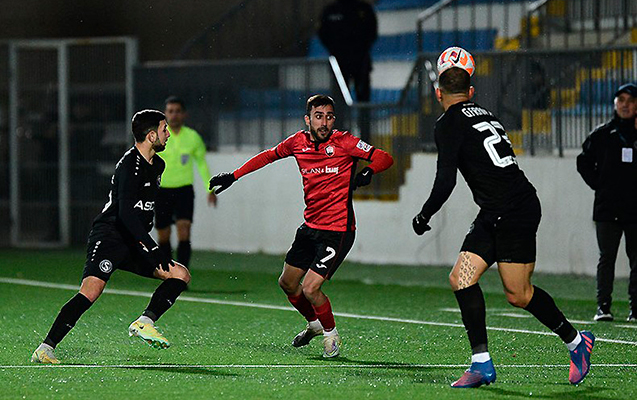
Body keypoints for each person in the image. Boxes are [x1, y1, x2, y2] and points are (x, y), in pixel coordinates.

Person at [411, 49, 594, 388]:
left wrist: (425, 214)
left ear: (438, 93)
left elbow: (446, 181)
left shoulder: (447, 123)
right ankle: (481, 363)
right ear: (471, 91)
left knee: (519, 294)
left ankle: (576, 342)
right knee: (461, 279)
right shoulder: (485, 113)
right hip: (500, 210)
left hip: (512, 212)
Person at [209, 94, 393, 358]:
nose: (324, 122)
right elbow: (267, 156)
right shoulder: (297, 142)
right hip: (310, 227)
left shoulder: (345, 142)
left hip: (338, 230)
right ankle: (314, 323)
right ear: (307, 119)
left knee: (310, 287)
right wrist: (234, 176)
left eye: (329, 117)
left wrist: (368, 171)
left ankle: (331, 335)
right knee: (287, 283)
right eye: (318, 116)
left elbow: (384, 157)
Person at [31, 110, 191, 364]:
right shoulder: (129, 165)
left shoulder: (158, 165)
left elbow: (145, 207)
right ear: (151, 136)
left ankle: (144, 322)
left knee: (180, 274)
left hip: (134, 240)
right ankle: (45, 348)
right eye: (164, 129)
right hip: (110, 236)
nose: (168, 134)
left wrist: (147, 239)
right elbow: (125, 213)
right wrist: (152, 247)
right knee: (91, 292)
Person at [576, 83, 637, 323]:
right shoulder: (602, 134)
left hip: (635, 209)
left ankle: (635, 307)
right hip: (607, 209)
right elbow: (583, 162)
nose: (625, 105)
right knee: (607, 258)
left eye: (630, 100)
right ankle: (603, 306)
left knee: (636, 260)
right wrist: (600, 186)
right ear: (614, 104)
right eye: (621, 100)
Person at [155, 96, 216, 268]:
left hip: (184, 190)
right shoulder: (157, 136)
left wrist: (209, 188)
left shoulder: (193, 137)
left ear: (184, 114)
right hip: (161, 190)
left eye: (177, 111)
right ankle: (167, 271)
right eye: (170, 111)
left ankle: (182, 273)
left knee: (184, 230)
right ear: (165, 114)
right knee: (163, 234)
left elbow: (201, 164)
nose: (174, 115)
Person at [318, 0, 377, 142]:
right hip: (339, 66)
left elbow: (372, 33)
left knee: (363, 104)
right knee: (338, 105)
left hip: (361, 63)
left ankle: (365, 140)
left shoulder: (364, 9)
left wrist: (358, 50)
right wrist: (336, 51)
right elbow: (323, 34)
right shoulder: (330, 11)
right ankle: (338, 141)